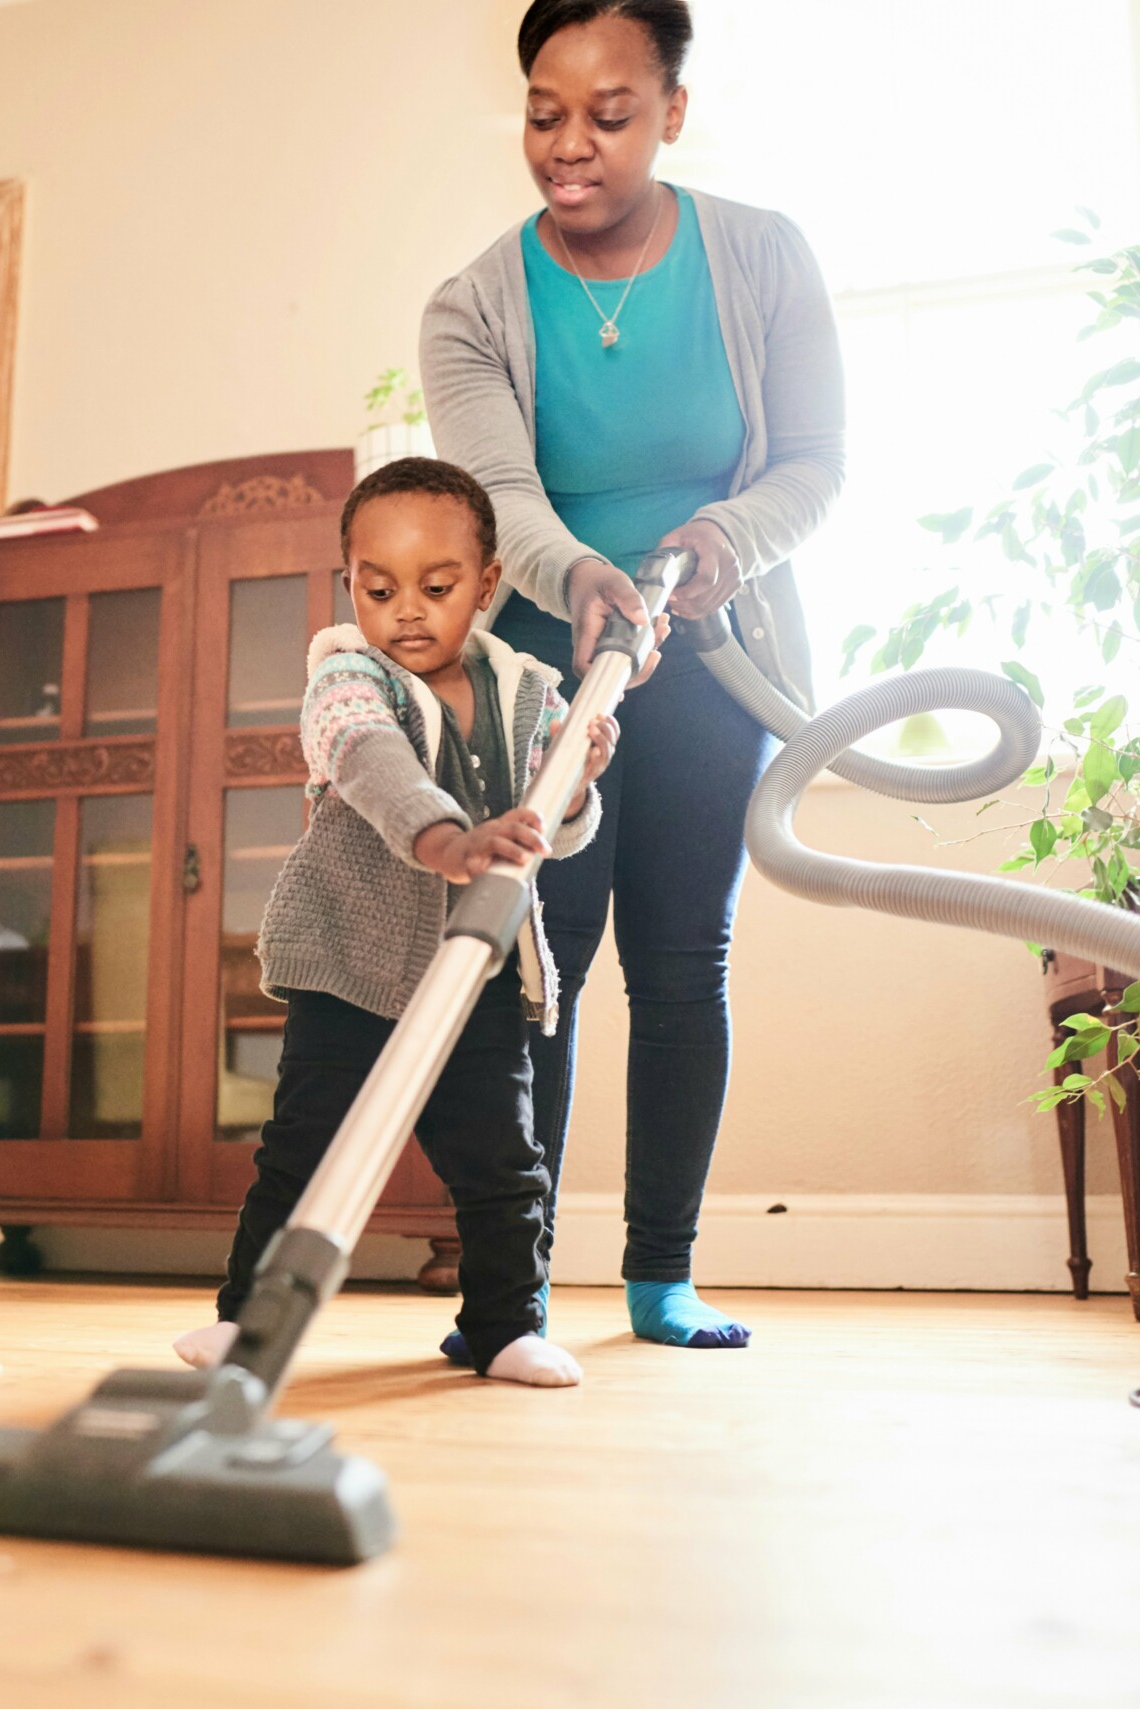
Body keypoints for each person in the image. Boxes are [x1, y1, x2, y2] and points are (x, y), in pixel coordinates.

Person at [421, 0, 846, 1350]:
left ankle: (661, 1275)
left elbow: (814, 466)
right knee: (535, 967)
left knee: (681, 962)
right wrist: (582, 584)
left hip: (714, 655)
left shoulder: (764, 257)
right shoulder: (471, 307)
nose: (569, 145)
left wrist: (718, 539)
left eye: (610, 114)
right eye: (546, 112)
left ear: (672, 109)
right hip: (546, 671)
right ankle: (518, 1285)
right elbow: (497, 497)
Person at [172, 457, 617, 1387]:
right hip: (350, 962)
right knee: (304, 1146)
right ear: (351, 588)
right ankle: (246, 1313)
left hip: (480, 974)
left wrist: (574, 786)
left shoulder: (532, 691)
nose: (406, 609)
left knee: (504, 1161)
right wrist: (444, 836)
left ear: (487, 586)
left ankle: (506, 1325)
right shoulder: (345, 676)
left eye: (437, 586)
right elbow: (368, 760)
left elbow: (558, 835)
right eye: (379, 588)